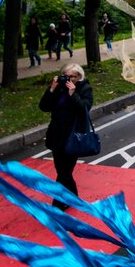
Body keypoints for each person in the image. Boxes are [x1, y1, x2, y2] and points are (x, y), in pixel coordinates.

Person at [38, 63, 92, 210]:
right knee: (62, 172)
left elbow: (84, 109)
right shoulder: (59, 88)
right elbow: (44, 107)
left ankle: (58, 204)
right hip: (56, 136)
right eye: (67, 76)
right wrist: (51, 89)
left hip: (73, 137)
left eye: (73, 77)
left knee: (64, 172)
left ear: (79, 77)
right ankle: (73, 198)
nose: (69, 80)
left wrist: (73, 94)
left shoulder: (84, 88)